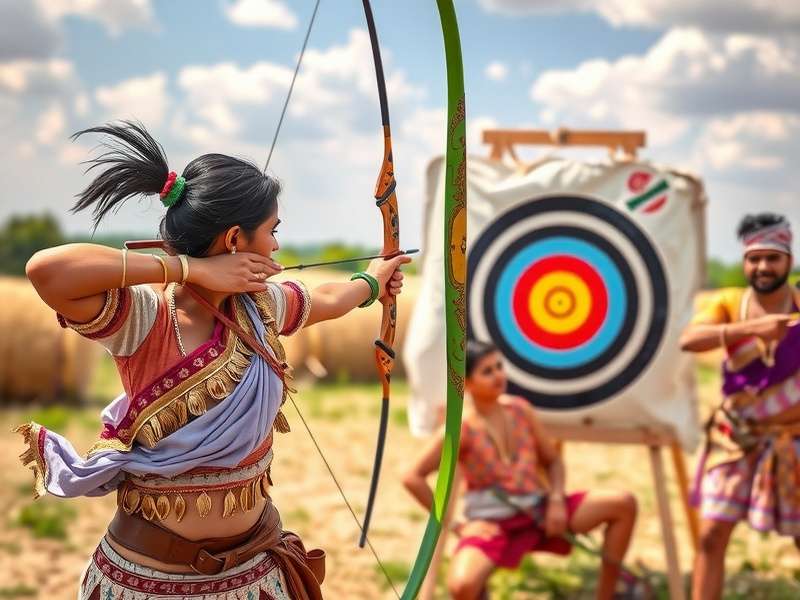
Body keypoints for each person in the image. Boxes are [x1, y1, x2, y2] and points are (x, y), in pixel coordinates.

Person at [16, 121, 410, 599]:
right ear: (234, 239)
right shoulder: (146, 318)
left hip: (252, 574)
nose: (277, 245)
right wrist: (189, 269)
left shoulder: (261, 306)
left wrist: (372, 281)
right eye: (272, 231)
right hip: (148, 583)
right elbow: (46, 270)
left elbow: (327, 298)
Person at [402, 340, 637, 600]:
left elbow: (552, 461)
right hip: (492, 524)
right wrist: (457, 526)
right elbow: (412, 477)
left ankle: (607, 595)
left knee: (622, 503)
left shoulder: (520, 410)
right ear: (466, 383)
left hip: (539, 512)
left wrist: (556, 500)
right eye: (487, 371)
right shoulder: (462, 428)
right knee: (462, 586)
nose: (498, 375)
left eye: (499, 367)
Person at [680, 213, 799, 600]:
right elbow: (689, 339)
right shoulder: (728, 302)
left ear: (789, 260)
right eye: (754, 258)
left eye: (772, 258)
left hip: (792, 442)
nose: (763, 267)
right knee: (711, 537)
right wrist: (751, 329)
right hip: (736, 440)